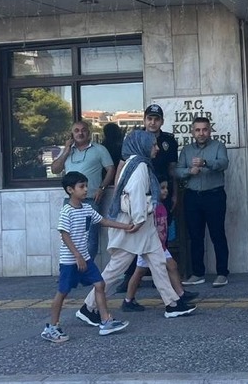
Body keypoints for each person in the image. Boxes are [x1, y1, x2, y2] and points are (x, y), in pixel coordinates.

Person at [76, 130, 196, 324]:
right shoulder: (140, 166)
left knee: (158, 263)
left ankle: (173, 303)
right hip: (135, 225)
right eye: (153, 145)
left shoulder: (134, 163)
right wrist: (139, 220)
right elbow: (136, 195)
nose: (157, 148)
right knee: (116, 269)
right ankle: (89, 307)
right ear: (143, 146)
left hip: (141, 226)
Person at [42, 171, 137, 343]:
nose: (86, 189)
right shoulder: (67, 211)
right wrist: (77, 255)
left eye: (86, 186)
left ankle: (106, 321)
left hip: (84, 258)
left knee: (100, 284)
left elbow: (103, 221)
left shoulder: (87, 208)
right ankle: (52, 327)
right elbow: (64, 234)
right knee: (62, 292)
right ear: (70, 190)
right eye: (82, 186)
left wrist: (125, 226)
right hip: (70, 261)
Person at [115, 104, 179, 294]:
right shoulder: (134, 139)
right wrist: (118, 192)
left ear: (162, 121)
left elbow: (172, 171)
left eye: (156, 119)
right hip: (139, 196)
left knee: (160, 235)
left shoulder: (168, 141)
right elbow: (122, 165)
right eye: (149, 118)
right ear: (144, 120)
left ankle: (161, 279)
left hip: (162, 193)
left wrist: (175, 194)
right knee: (134, 235)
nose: (152, 122)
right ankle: (129, 278)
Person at [121, 179, 196, 311]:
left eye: (166, 187)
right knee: (143, 271)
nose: (166, 191)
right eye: (162, 188)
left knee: (164, 267)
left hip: (158, 245)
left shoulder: (161, 206)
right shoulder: (150, 207)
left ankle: (180, 294)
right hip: (149, 246)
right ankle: (129, 300)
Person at [176, 116, 231, 288]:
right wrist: (189, 171)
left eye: (204, 129)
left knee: (217, 234)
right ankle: (198, 273)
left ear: (210, 130)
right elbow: (177, 171)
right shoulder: (186, 150)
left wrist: (205, 163)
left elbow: (224, 163)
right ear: (192, 132)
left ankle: (222, 273)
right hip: (192, 196)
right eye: (198, 130)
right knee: (195, 236)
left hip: (214, 195)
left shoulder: (218, 146)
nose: (201, 133)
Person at [50, 121, 114, 261]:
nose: (80, 133)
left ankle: (86, 268)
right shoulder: (67, 151)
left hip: (91, 200)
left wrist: (102, 188)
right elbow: (55, 170)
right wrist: (66, 151)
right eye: (76, 130)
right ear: (72, 134)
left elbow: (110, 169)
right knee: (69, 236)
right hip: (70, 201)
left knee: (90, 238)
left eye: (83, 130)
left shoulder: (99, 149)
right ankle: (72, 266)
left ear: (88, 133)